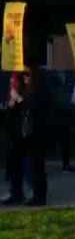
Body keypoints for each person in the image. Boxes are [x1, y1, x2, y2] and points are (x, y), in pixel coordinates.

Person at [4, 67, 49, 206]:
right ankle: (16, 193)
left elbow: (34, 107)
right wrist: (12, 102)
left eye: (27, 75)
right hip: (19, 132)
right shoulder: (22, 86)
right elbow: (16, 108)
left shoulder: (40, 89)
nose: (25, 77)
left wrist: (19, 99)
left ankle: (39, 197)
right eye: (23, 75)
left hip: (35, 132)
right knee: (14, 162)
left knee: (36, 165)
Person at [48, 71, 75, 173]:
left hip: (57, 120)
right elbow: (65, 104)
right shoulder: (57, 89)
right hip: (58, 120)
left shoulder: (54, 89)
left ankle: (65, 164)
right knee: (62, 143)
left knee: (62, 143)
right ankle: (65, 165)